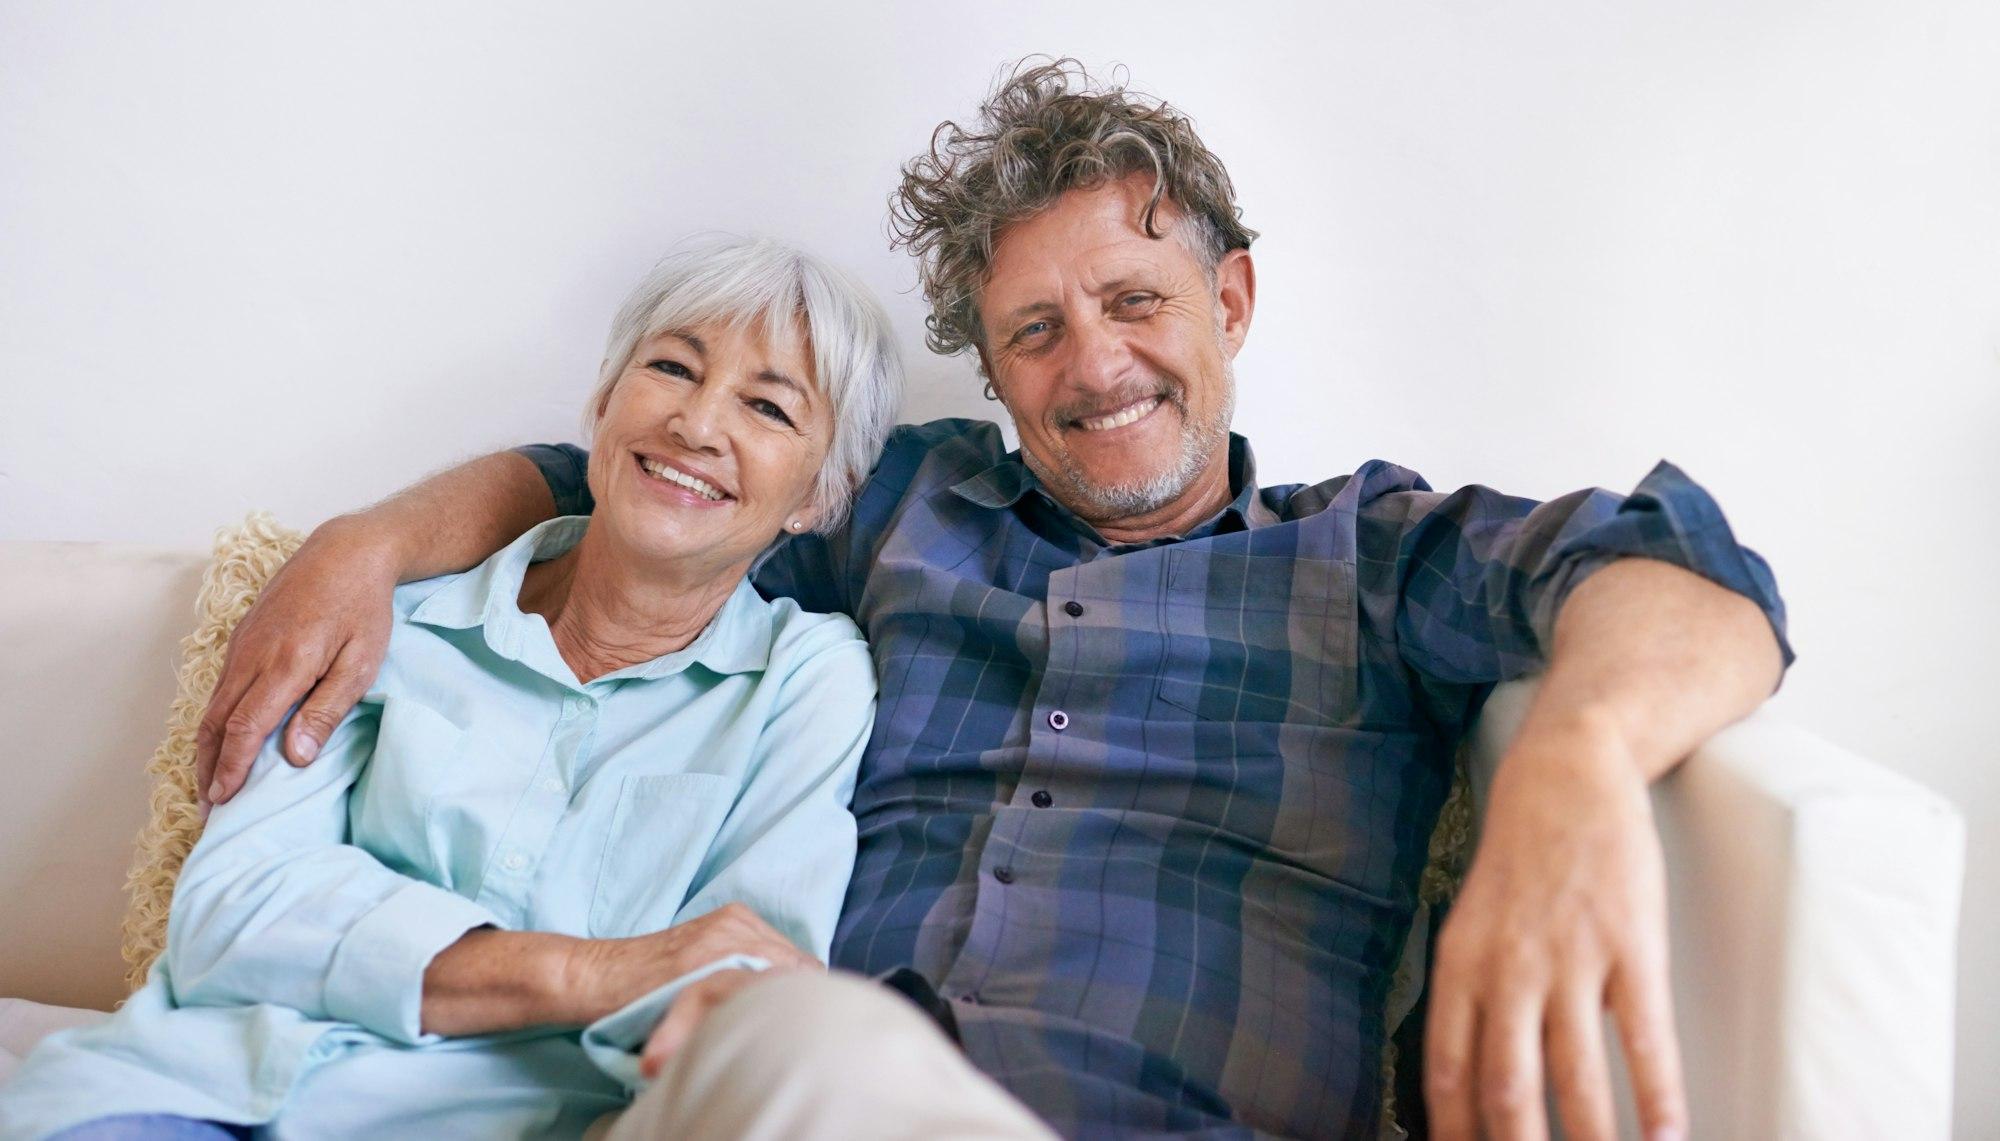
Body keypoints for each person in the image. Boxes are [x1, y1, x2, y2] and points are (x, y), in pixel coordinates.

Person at [186, 62, 1790, 1141]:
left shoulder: (1366, 554)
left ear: (1228, 300)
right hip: (781, 1092)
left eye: (1136, 301)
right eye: (1033, 328)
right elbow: (623, 482)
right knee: (791, 1052)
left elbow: (1690, 576)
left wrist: (1574, 765)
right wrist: (372, 540)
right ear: (987, 360)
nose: (1092, 364)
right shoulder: (901, 503)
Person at [0, 237, 1052, 1141]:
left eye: (767, 407)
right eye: (672, 368)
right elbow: (230, 914)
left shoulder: (803, 683)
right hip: (187, 1095)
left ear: (817, 498)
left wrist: (383, 936)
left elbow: (731, 986)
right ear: (601, 402)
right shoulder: (397, 608)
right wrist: (587, 971)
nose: (696, 423)